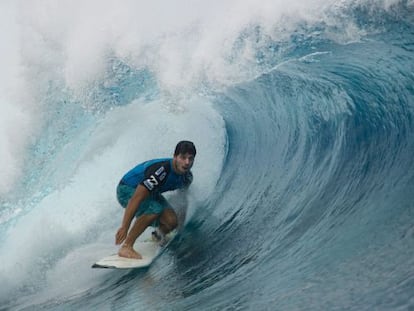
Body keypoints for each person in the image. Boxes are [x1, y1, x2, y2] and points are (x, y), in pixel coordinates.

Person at [115, 140, 196, 259]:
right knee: (154, 209)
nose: (187, 162)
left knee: (172, 222)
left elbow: (183, 201)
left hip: (150, 193)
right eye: (183, 157)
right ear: (175, 156)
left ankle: (157, 235)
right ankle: (126, 246)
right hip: (126, 190)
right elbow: (136, 198)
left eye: (190, 158)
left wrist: (179, 229)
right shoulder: (161, 171)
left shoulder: (187, 177)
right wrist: (124, 227)